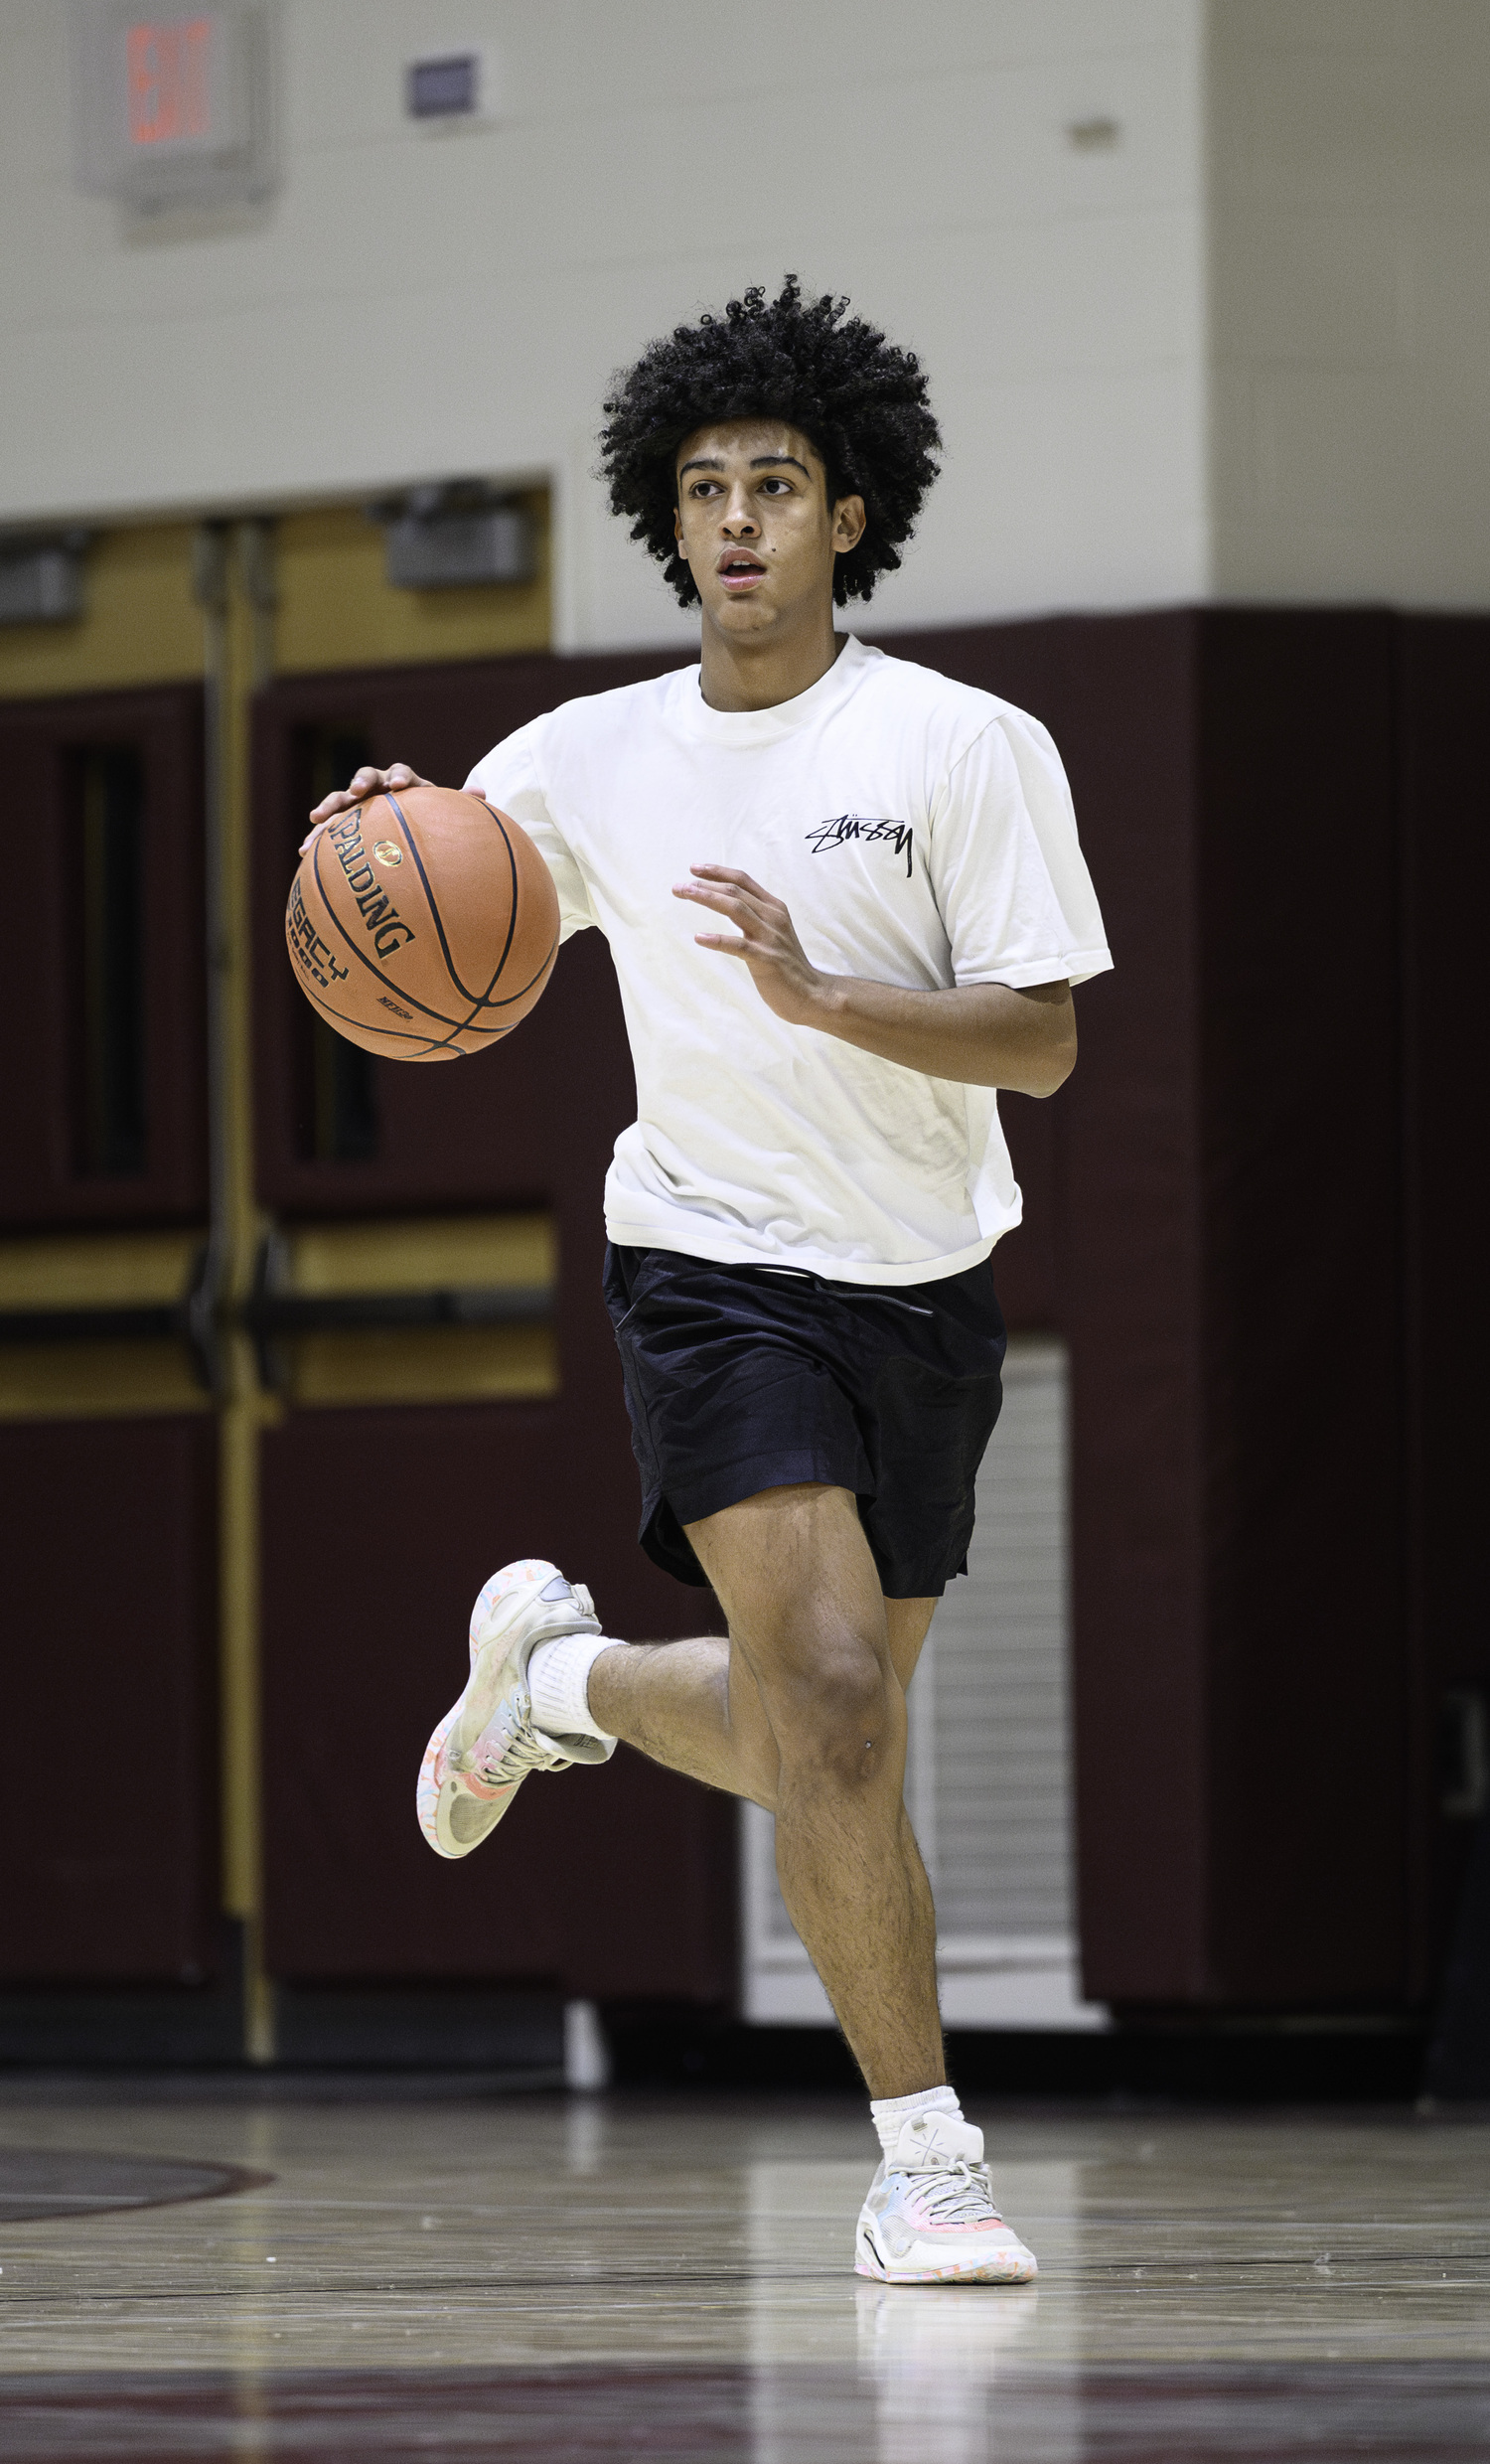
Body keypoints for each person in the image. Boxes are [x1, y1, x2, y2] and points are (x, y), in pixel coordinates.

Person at [307, 278, 1112, 2285]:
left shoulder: (963, 745)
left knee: (805, 1736)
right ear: (671, 525)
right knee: (831, 1694)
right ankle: (928, 2164)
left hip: (920, 1284)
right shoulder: (589, 756)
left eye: (775, 482)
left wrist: (828, 989)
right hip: (708, 1263)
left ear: (852, 513)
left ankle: (552, 1683)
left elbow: (1041, 1043)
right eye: (703, 488)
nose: (737, 517)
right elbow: (447, 886)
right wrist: (370, 844)